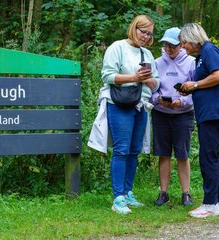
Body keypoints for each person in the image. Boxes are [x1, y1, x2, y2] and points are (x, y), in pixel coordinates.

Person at [95, 15, 159, 214]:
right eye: (143, 32)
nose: (146, 37)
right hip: (120, 103)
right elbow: (107, 76)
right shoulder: (118, 47)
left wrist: (148, 80)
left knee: (134, 150)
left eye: (149, 34)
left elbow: (156, 84)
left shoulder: (147, 54)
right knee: (122, 149)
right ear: (134, 28)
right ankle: (118, 198)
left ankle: (128, 192)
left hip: (141, 105)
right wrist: (134, 77)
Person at [179, 23, 219, 218]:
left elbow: (218, 75)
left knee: (207, 157)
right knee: (213, 157)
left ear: (193, 38)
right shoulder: (201, 56)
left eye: (184, 42)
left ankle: (209, 203)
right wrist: (191, 88)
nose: (183, 47)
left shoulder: (209, 50)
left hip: (214, 112)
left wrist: (194, 84)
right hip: (210, 113)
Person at [151, 27, 196, 206]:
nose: (170, 49)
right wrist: (158, 100)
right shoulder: (156, 62)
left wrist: (182, 102)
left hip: (183, 115)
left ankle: (186, 193)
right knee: (163, 154)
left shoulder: (191, 62)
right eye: (166, 45)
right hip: (161, 114)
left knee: (182, 154)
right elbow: (151, 89)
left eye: (173, 45)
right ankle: (164, 192)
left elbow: (196, 90)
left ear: (181, 45)